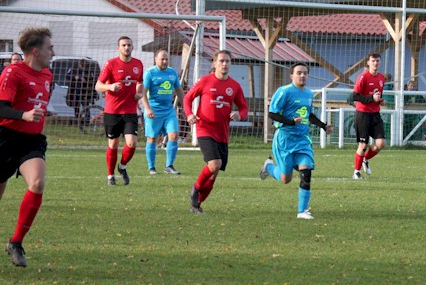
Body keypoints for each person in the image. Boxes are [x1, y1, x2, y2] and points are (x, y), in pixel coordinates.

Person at [0, 28, 54, 267]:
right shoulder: (12, 72)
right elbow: (1, 108)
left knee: (38, 182)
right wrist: (24, 114)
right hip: (5, 138)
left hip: (31, 141)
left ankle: (16, 242)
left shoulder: (48, 75)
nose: (52, 52)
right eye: (49, 47)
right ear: (36, 50)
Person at [259, 63, 333, 219]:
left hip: (302, 140)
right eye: (299, 73)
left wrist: (323, 126)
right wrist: (291, 122)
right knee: (285, 179)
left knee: (306, 172)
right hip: (285, 139)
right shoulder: (284, 92)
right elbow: (272, 114)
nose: (302, 76)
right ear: (291, 75)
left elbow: (308, 115)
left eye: (305, 73)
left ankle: (302, 211)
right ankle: (269, 167)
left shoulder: (308, 94)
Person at [183, 50, 248, 214]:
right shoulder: (205, 81)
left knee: (214, 173)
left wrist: (239, 115)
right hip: (204, 128)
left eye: (227, 61)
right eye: (221, 61)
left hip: (222, 133)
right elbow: (187, 98)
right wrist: (190, 114)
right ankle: (196, 188)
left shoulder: (234, 86)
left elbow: (244, 107)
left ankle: (196, 205)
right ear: (214, 63)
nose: (224, 64)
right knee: (214, 164)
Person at [95, 36, 144, 186]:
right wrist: (110, 87)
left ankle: (122, 167)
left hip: (129, 111)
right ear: (118, 48)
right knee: (114, 144)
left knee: (132, 143)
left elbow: (140, 82)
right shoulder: (111, 64)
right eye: (123, 45)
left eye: (129, 45)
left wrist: (139, 93)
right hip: (112, 111)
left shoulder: (138, 64)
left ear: (132, 47)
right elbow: (98, 85)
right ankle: (110, 176)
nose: (126, 47)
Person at [140, 50, 185, 175]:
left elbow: (179, 91)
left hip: (169, 110)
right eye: (162, 59)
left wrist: (186, 107)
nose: (165, 61)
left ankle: (169, 166)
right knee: (152, 138)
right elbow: (142, 92)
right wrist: (148, 108)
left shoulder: (172, 73)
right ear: (156, 59)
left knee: (174, 135)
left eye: (166, 59)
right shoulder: (150, 73)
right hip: (153, 110)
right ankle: (151, 167)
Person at [351, 52, 387, 180]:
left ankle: (366, 159)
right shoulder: (363, 77)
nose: (375, 63)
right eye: (373, 61)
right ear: (368, 62)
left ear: (380, 62)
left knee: (381, 143)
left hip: (375, 114)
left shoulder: (382, 78)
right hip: (363, 115)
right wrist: (372, 98)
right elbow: (355, 96)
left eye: (377, 61)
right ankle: (356, 172)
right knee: (363, 145)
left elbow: (378, 95)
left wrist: (380, 100)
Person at [66, 59, 97, 133]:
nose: (83, 67)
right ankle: (77, 120)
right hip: (75, 92)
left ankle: (87, 122)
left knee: (86, 106)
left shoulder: (89, 72)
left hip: (85, 92)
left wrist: (91, 91)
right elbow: (67, 76)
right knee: (76, 107)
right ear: (79, 65)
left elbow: (93, 81)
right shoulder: (74, 69)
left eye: (84, 66)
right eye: (82, 65)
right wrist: (77, 77)